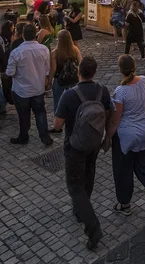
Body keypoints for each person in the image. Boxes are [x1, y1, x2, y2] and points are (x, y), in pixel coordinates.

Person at [52, 56, 113, 250]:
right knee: (88, 176)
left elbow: (57, 124)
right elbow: (109, 113)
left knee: (75, 186)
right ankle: (81, 209)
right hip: (94, 142)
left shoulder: (69, 95)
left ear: (79, 72)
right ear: (94, 72)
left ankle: (92, 226)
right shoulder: (102, 92)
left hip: (74, 145)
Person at [107, 55, 145, 216]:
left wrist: (107, 137)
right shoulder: (144, 81)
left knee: (123, 169)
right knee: (144, 162)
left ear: (120, 69)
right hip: (144, 130)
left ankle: (125, 204)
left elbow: (116, 120)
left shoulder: (121, 91)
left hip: (126, 135)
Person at [6, 24, 53, 146]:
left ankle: (23, 137)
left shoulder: (16, 52)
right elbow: (47, 69)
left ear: (22, 35)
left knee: (23, 115)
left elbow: (10, 72)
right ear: (35, 35)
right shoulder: (44, 49)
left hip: (21, 90)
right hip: (38, 87)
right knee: (40, 113)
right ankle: (45, 136)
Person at [48, 29, 81, 114]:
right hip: (73, 79)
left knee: (58, 103)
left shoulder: (55, 52)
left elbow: (53, 69)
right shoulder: (75, 50)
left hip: (60, 80)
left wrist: (49, 81)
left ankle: (58, 122)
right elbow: (80, 63)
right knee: (74, 102)